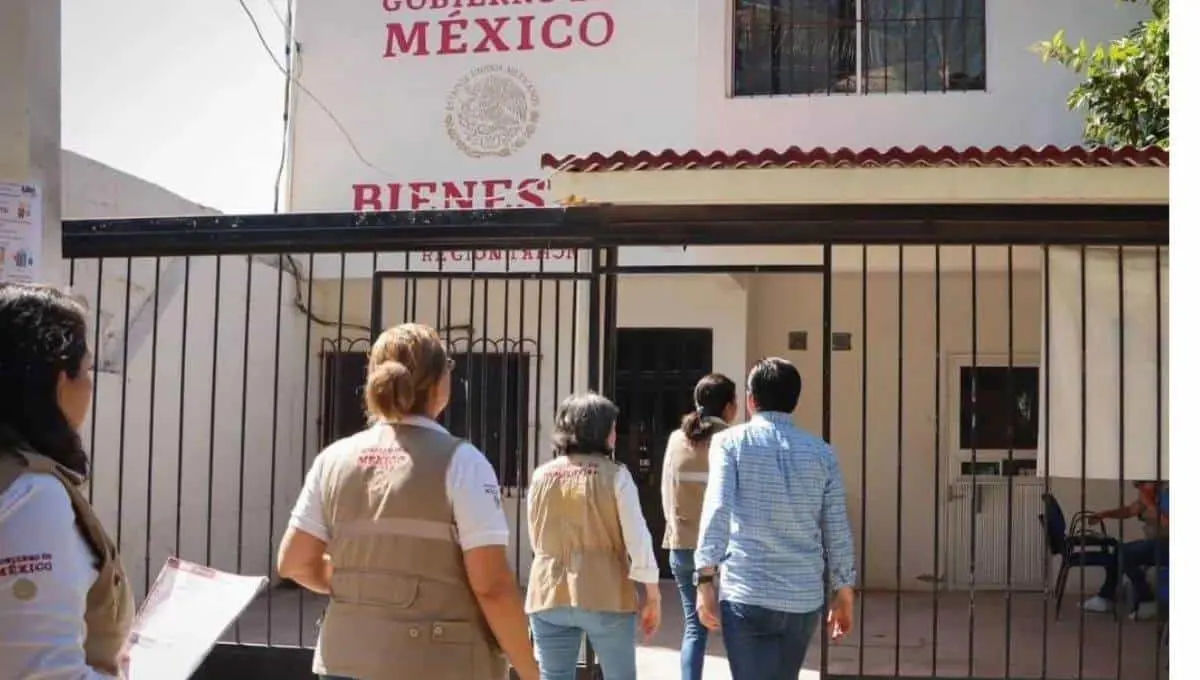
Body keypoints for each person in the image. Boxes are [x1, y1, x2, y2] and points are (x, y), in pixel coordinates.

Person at [277, 323, 538, 680]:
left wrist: (367, 586)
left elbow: (294, 562)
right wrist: (531, 670)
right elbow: (491, 585)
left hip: (342, 660)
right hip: (438, 664)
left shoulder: (333, 460)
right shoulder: (463, 462)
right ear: (439, 382)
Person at [0, 282, 134, 679]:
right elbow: (46, 674)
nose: (90, 385)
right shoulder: (32, 496)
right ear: (60, 382)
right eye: (87, 369)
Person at [694, 357, 857, 680]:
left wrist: (704, 579)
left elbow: (717, 510)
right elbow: (837, 527)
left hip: (747, 592)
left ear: (751, 400)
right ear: (794, 401)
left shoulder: (729, 443)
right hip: (802, 598)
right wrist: (844, 587)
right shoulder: (822, 453)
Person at [525, 392, 661, 680]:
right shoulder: (616, 475)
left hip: (547, 591)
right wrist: (652, 594)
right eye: (612, 427)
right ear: (600, 432)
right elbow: (637, 538)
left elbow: (536, 537)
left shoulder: (540, 476)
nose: (615, 434)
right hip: (606, 593)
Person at [661, 373, 738, 680]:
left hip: (682, 545)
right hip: (725, 551)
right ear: (729, 407)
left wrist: (675, 529)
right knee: (736, 631)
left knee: (694, 628)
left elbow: (666, 492)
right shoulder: (733, 440)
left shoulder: (676, 439)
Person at [1081, 480, 1169, 619]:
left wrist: (1148, 502)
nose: (1139, 489)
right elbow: (1129, 510)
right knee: (1119, 550)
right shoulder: (1151, 496)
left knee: (1127, 554)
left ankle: (1147, 600)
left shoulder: (1168, 495)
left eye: (1142, 484)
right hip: (1154, 543)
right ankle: (1106, 597)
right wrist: (1104, 514)